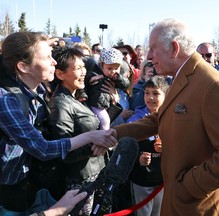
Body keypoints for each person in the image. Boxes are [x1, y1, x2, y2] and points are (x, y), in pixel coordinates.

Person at [111, 18, 219, 215]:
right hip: (181, 201)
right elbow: (159, 119)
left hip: (198, 206)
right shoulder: (182, 77)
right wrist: (113, 134)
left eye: (153, 48)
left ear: (174, 48)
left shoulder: (212, 86)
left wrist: (187, 187)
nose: (149, 56)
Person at [0, 32, 116, 215]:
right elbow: (42, 148)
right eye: (47, 57)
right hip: (8, 190)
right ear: (23, 66)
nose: (54, 62)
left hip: (31, 183)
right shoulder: (6, 100)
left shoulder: (37, 89)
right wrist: (91, 137)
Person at [47, 47, 107, 215]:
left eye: (84, 67)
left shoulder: (77, 96)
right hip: (80, 180)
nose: (84, 72)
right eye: (78, 68)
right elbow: (64, 150)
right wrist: (97, 146)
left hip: (94, 172)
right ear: (60, 74)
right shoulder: (60, 104)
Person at [128, 75, 169, 216]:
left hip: (162, 179)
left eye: (156, 93)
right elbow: (129, 148)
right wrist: (139, 158)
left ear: (166, 95)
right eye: (147, 93)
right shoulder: (136, 120)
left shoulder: (171, 119)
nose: (150, 97)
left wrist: (167, 149)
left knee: (158, 212)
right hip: (142, 179)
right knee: (143, 212)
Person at [85, 48, 130, 130]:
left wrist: (118, 78)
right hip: (96, 105)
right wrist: (96, 79)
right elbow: (89, 83)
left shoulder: (115, 77)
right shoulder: (95, 74)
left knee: (106, 121)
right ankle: (104, 137)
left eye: (116, 68)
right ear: (102, 65)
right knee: (105, 120)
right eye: (109, 68)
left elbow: (126, 84)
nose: (113, 71)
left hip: (108, 105)